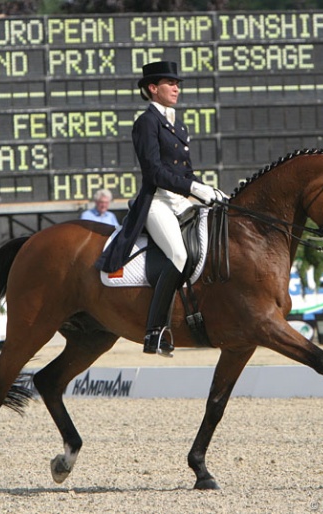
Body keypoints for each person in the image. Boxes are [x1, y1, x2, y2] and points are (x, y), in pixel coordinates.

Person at [95, 61, 217, 357]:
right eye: (170, 83)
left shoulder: (179, 124)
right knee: (178, 254)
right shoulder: (146, 122)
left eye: (178, 84)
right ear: (153, 88)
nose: (176, 88)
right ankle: (155, 331)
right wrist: (193, 189)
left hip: (180, 201)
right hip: (157, 201)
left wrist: (208, 190)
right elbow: (153, 172)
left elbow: (185, 171)